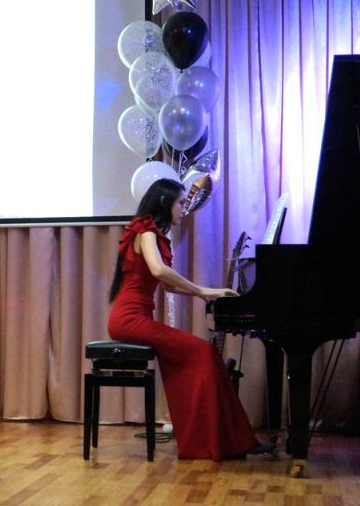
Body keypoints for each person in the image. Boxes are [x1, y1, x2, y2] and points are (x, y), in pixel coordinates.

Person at [107, 178, 267, 460]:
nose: (184, 208)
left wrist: (206, 292)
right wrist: (203, 290)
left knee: (202, 356)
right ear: (164, 202)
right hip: (129, 320)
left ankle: (228, 440)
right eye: (181, 203)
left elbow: (168, 286)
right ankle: (219, 441)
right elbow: (159, 271)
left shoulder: (151, 232)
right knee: (204, 352)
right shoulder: (146, 230)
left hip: (134, 319)